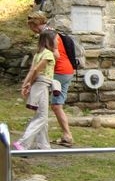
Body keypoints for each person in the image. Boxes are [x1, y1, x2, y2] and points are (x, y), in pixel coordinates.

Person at [26, 11, 74, 147]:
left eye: (31, 26)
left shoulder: (47, 34)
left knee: (41, 108)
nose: (31, 29)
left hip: (57, 72)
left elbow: (56, 55)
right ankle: (66, 136)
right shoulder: (52, 31)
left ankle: (32, 140)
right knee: (56, 106)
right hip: (67, 70)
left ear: (35, 24)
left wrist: (41, 62)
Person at [13, 29, 56, 150]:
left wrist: (25, 84)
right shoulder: (48, 54)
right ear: (49, 40)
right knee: (42, 116)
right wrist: (29, 84)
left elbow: (31, 70)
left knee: (41, 115)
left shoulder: (38, 54)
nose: (57, 41)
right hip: (42, 84)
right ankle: (22, 143)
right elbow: (37, 70)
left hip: (39, 84)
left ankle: (44, 146)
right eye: (55, 39)